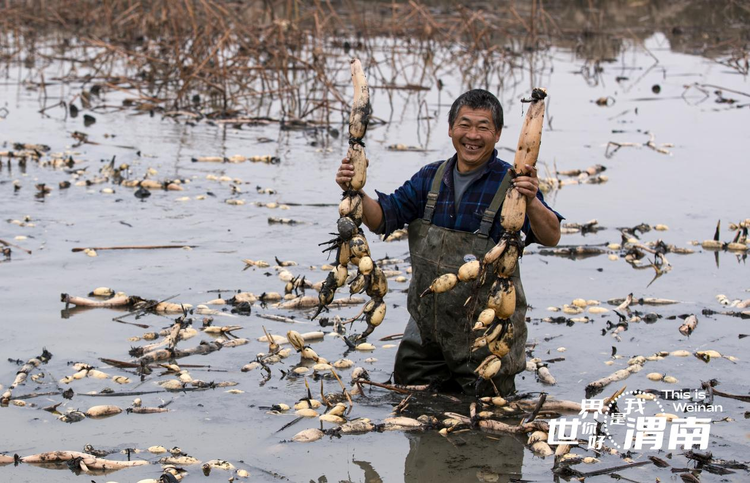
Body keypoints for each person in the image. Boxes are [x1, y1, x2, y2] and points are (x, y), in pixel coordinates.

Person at [335, 89, 562, 396]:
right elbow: (383, 219)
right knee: (411, 406)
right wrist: (355, 192)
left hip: (485, 338)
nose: (472, 135)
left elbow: (550, 236)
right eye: (464, 125)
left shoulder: (512, 183)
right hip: (426, 334)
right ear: (451, 129)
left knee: (489, 418)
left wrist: (532, 201)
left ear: (497, 134)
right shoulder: (431, 177)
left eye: (483, 127)